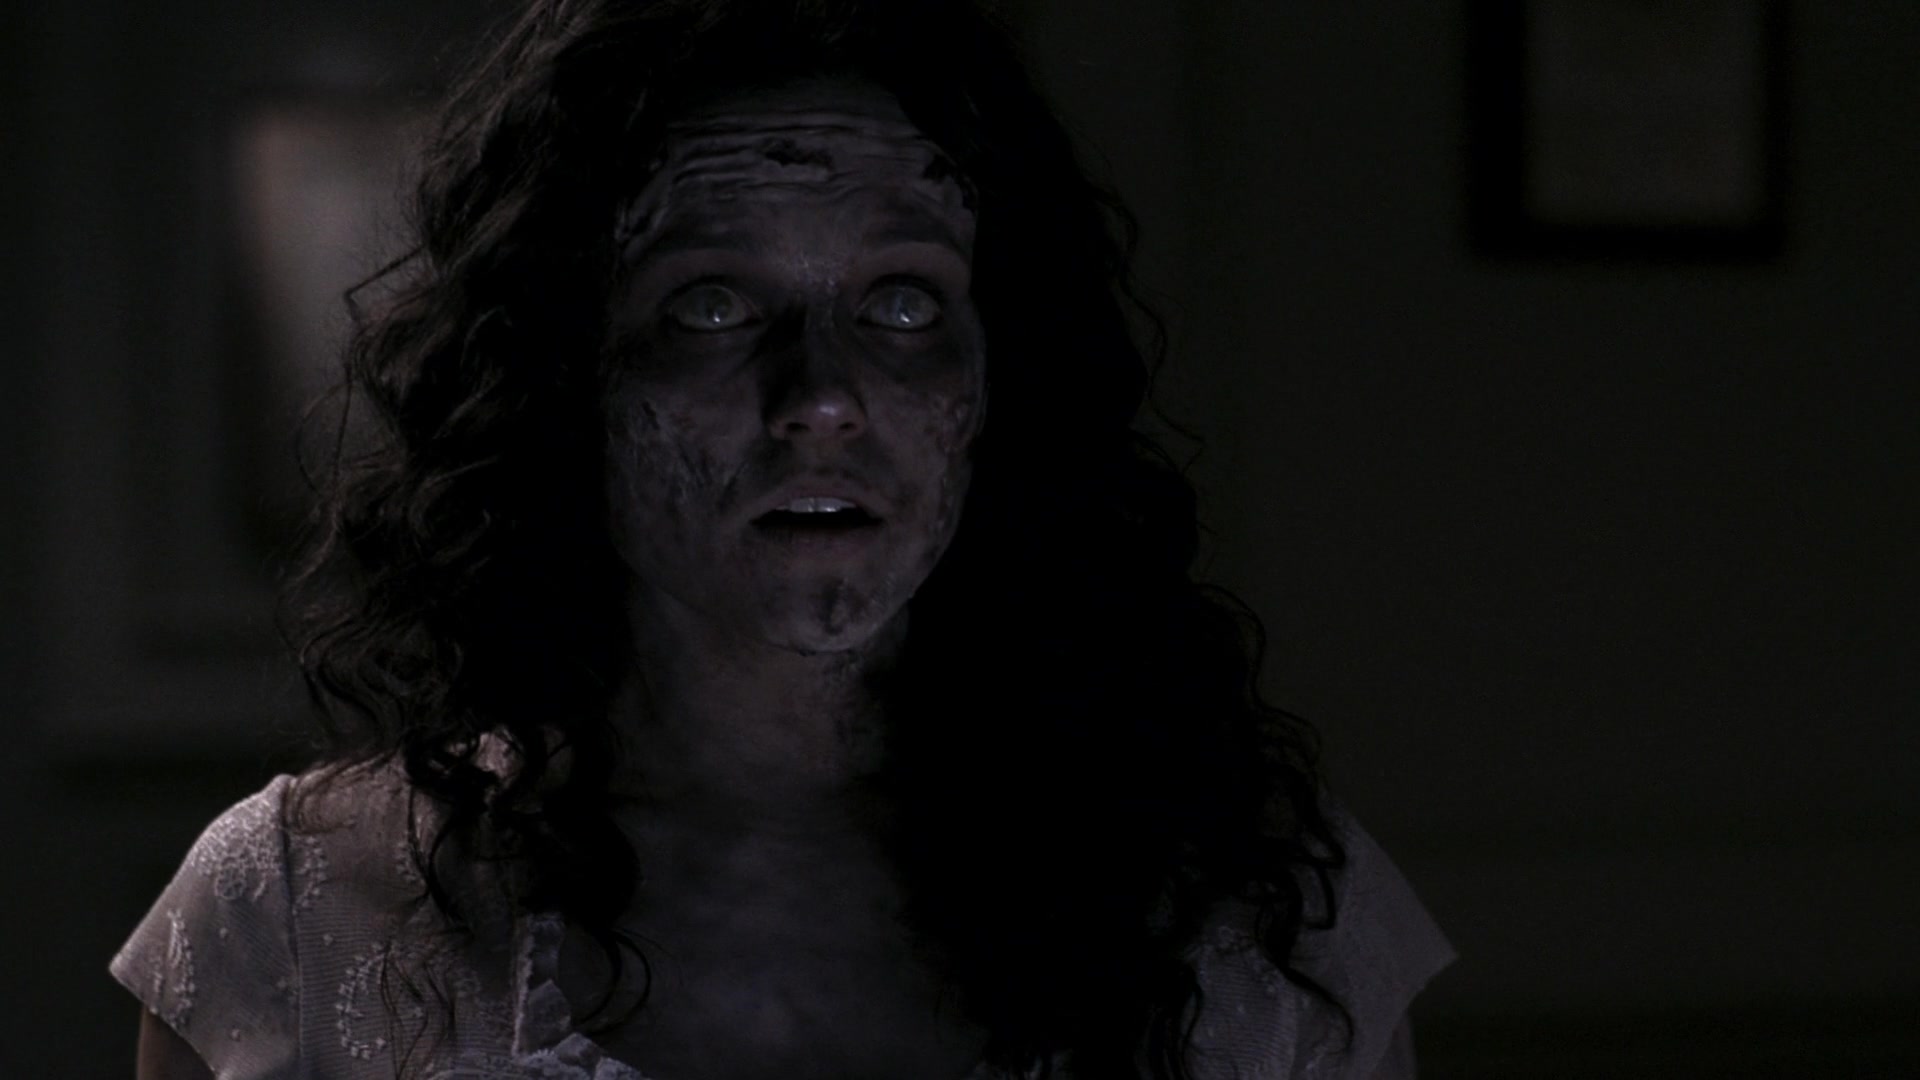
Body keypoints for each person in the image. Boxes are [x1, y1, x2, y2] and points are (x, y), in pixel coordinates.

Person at [112, 1, 1453, 1077]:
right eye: (710, 305)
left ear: (1002, 375)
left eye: (904, 305)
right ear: (563, 375)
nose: (821, 397)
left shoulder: (1253, 923)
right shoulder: (297, 916)